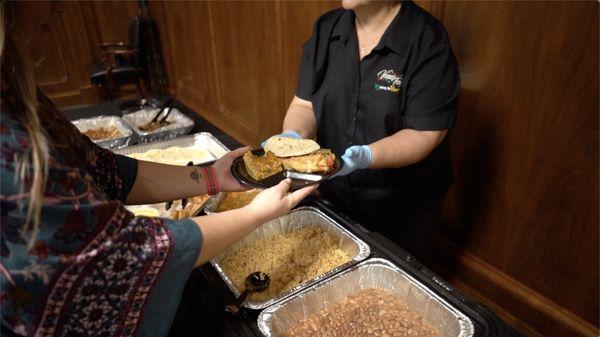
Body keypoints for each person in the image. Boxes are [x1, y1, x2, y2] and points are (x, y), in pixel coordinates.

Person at [0, 3, 316, 337]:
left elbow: (105, 169)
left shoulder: (13, 90)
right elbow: (130, 256)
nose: (61, 8)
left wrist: (212, 176)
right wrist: (256, 214)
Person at [267, 0, 459, 259]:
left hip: (401, 208)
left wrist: (366, 156)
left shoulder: (427, 39)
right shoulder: (327, 28)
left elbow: (425, 133)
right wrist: (293, 138)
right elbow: (305, 104)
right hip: (333, 192)